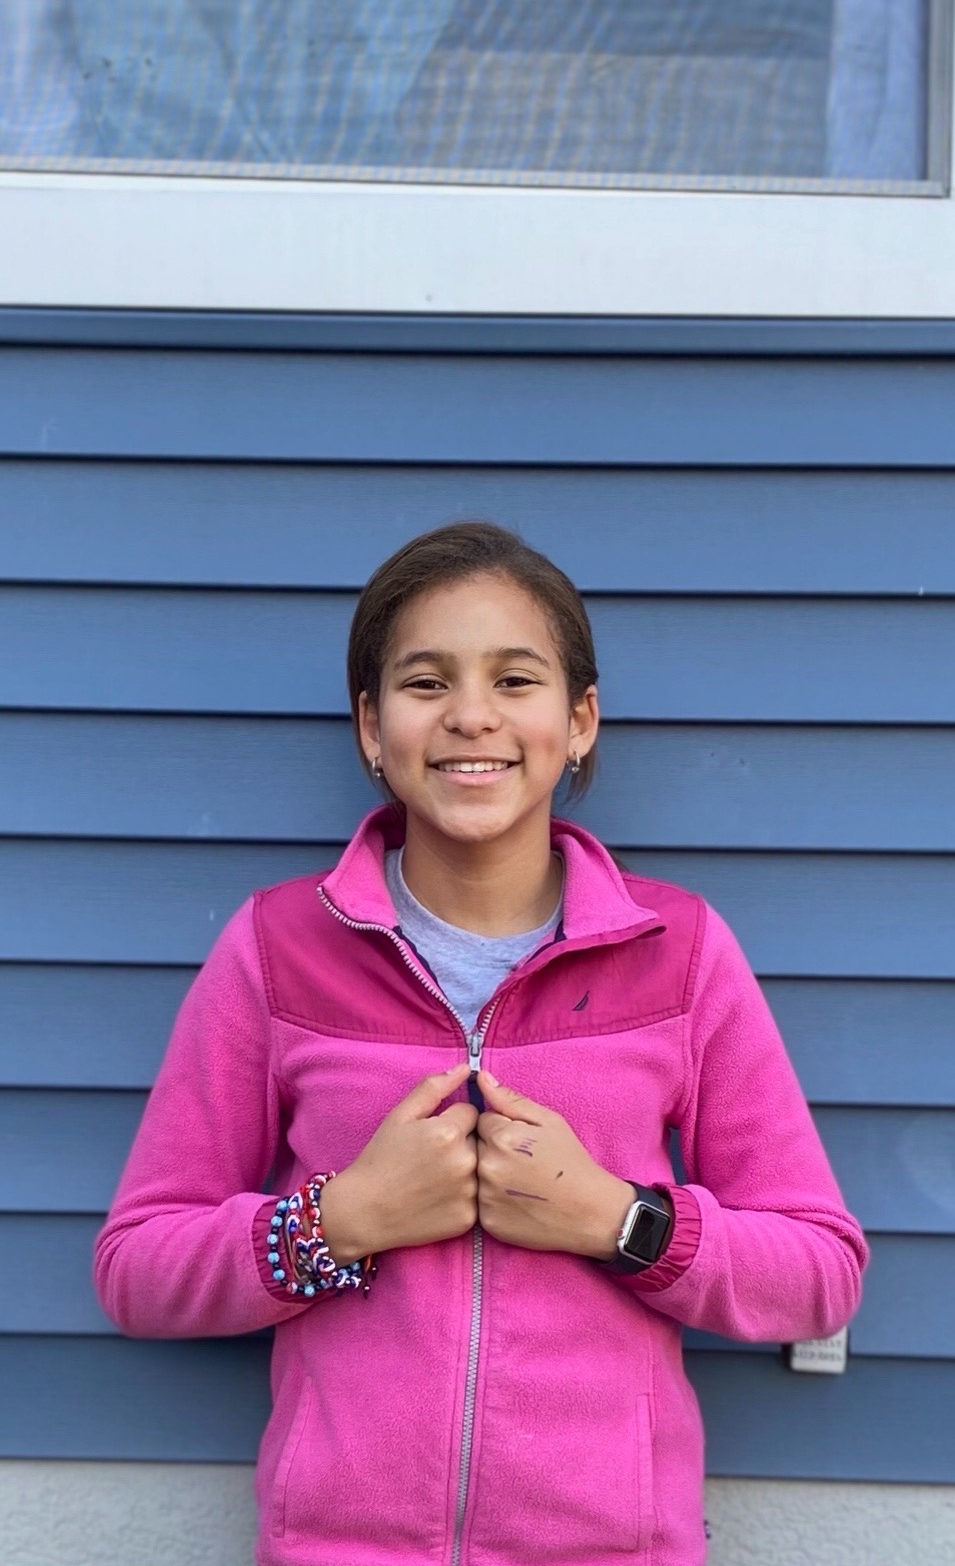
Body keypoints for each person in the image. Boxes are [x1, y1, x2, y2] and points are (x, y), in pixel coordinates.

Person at [94, 521, 865, 1565]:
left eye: (514, 678)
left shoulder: (678, 952)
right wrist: (335, 1221)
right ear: (371, 725)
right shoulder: (277, 949)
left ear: (577, 718)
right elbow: (137, 1263)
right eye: (424, 681)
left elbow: (819, 1268)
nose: (470, 715)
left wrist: (620, 1220)